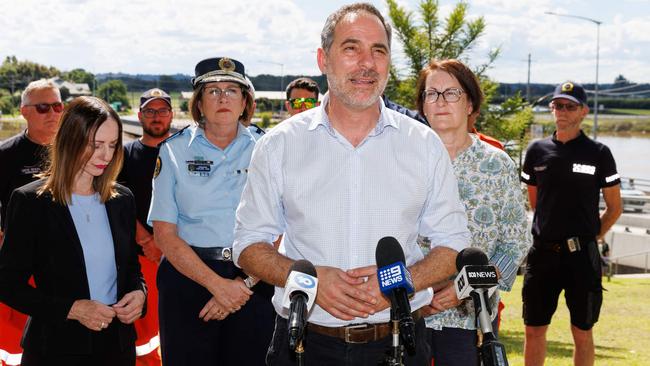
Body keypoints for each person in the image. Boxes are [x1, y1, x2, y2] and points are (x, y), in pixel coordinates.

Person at [233, 4, 470, 365]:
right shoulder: (280, 145)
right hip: (303, 344)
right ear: (322, 59)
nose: (367, 63)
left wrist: (401, 281)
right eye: (351, 48)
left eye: (379, 50)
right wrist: (307, 279)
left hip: (399, 341)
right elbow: (248, 245)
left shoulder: (422, 145)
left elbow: (453, 244)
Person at [0, 96, 146, 365]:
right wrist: (72, 309)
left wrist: (139, 295)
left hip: (117, 348)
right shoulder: (30, 201)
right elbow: (7, 285)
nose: (106, 155)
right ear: (70, 140)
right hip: (54, 349)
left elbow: (130, 269)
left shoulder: (122, 199)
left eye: (113, 145)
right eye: (96, 145)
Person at [148, 56, 275, 365]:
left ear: (245, 102)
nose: (222, 98)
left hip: (254, 278)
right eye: (213, 90)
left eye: (232, 90)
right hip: (188, 277)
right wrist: (217, 285)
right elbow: (165, 234)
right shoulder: (174, 150)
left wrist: (242, 284)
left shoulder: (267, 147)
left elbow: (281, 226)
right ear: (199, 103)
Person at [414, 59, 531, 365]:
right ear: (423, 105)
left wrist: (462, 288)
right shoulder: (402, 162)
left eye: (451, 93)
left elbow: (515, 243)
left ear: (470, 103)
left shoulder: (498, 164)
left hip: (470, 321)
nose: (440, 102)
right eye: (431, 94)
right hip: (407, 315)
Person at [521, 81, 623, 366]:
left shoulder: (599, 153)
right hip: (543, 256)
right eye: (557, 105)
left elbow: (615, 208)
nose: (562, 111)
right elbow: (536, 202)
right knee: (534, 329)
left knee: (582, 331)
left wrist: (591, 237)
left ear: (583, 112)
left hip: (582, 258)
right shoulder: (536, 151)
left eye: (569, 106)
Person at [0, 79, 63, 366]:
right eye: (43, 107)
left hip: (64, 260)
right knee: (14, 341)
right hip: (19, 263)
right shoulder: (6, 155)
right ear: (24, 111)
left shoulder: (73, 152)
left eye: (57, 105)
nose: (52, 112)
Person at [118, 88, 173, 365]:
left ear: (171, 115)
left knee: (179, 325)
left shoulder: (182, 151)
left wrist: (170, 245)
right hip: (144, 257)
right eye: (150, 111)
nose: (156, 117)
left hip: (180, 253)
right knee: (146, 331)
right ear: (139, 115)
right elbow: (116, 202)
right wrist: (148, 242)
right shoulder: (124, 155)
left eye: (162, 110)